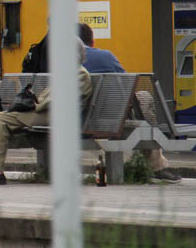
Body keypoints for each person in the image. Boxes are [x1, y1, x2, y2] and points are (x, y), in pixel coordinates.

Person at [0, 36, 93, 185]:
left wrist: (36, 104)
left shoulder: (80, 74)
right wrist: (34, 100)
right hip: (45, 112)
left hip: (56, 116)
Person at [78, 23, 181, 183]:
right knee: (144, 100)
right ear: (92, 42)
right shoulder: (105, 57)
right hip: (105, 123)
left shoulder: (58, 60)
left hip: (70, 122)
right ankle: (157, 166)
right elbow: (127, 88)